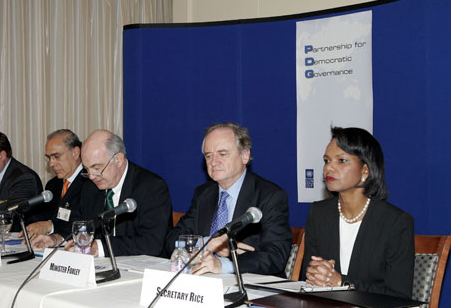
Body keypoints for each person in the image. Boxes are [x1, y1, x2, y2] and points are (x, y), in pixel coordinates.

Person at [301, 126, 414, 299]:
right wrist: (316, 274)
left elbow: (398, 296)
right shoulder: (319, 213)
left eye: (342, 160)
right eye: (326, 160)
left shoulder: (395, 222)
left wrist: (341, 283)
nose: (329, 168)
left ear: (365, 171)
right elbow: (306, 279)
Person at [166, 122, 292, 276]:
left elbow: (275, 256)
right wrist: (208, 244)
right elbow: (172, 240)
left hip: (251, 287)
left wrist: (224, 265)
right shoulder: (203, 194)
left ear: (245, 155)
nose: (213, 162)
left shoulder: (270, 196)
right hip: (203, 283)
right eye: (208, 155)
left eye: (222, 154)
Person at [33, 129, 172, 257]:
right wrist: (55, 239)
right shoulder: (90, 187)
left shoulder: (151, 187)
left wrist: (99, 247)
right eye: (87, 169)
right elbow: (80, 224)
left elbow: (151, 243)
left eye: (96, 167)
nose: (92, 176)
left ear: (118, 159)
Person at [22, 129, 87, 241]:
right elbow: (43, 215)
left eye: (56, 156)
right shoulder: (53, 185)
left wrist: (50, 226)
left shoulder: (90, 181)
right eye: (49, 158)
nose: (51, 163)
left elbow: (86, 222)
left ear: (75, 152)